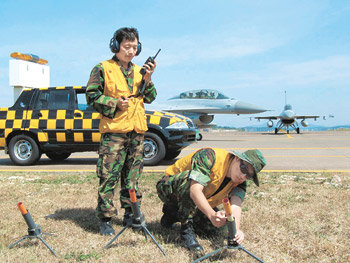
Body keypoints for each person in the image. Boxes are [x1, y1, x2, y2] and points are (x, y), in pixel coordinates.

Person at [86, 27, 157, 235]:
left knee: (132, 177)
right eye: (127, 47)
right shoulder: (102, 68)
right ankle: (106, 218)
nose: (131, 51)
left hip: (136, 132)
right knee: (109, 176)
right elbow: (91, 96)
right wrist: (114, 103)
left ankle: (131, 214)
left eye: (135, 47)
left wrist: (148, 78)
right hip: (114, 134)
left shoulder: (139, 71)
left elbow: (150, 97)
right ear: (115, 46)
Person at [156, 147, 266, 251]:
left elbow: (236, 206)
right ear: (237, 158)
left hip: (194, 201)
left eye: (249, 176)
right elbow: (195, 190)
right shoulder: (209, 156)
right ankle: (186, 230)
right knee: (191, 179)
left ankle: (172, 214)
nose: (243, 176)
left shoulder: (239, 182)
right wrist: (212, 215)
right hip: (169, 188)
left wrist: (235, 232)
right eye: (244, 169)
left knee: (219, 229)